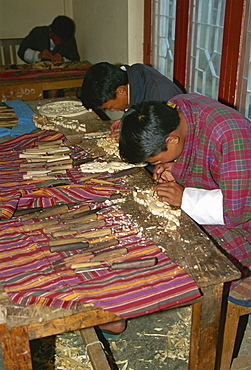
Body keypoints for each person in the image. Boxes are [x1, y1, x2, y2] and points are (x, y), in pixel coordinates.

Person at [119, 94, 251, 289]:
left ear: (172, 140)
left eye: (156, 160)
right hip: (227, 196)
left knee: (191, 257)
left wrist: (186, 198)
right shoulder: (178, 108)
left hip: (242, 221)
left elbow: (238, 210)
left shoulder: (232, 136)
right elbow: (198, 155)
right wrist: (176, 167)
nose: (158, 165)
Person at [81, 62, 183, 140]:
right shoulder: (134, 76)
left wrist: (129, 137)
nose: (112, 110)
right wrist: (127, 120)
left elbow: (164, 139)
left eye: (110, 107)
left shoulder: (161, 96)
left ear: (121, 91)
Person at [18, 15, 80, 97]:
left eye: (62, 40)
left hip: (57, 77)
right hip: (35, 74)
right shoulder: (38, 33)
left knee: (54, 87)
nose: (59, 42)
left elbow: (75, 60)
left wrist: (63, 60)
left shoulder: (69, 39)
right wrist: (37, 55)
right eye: (56, 38)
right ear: (50, 30)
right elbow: (22, 51)